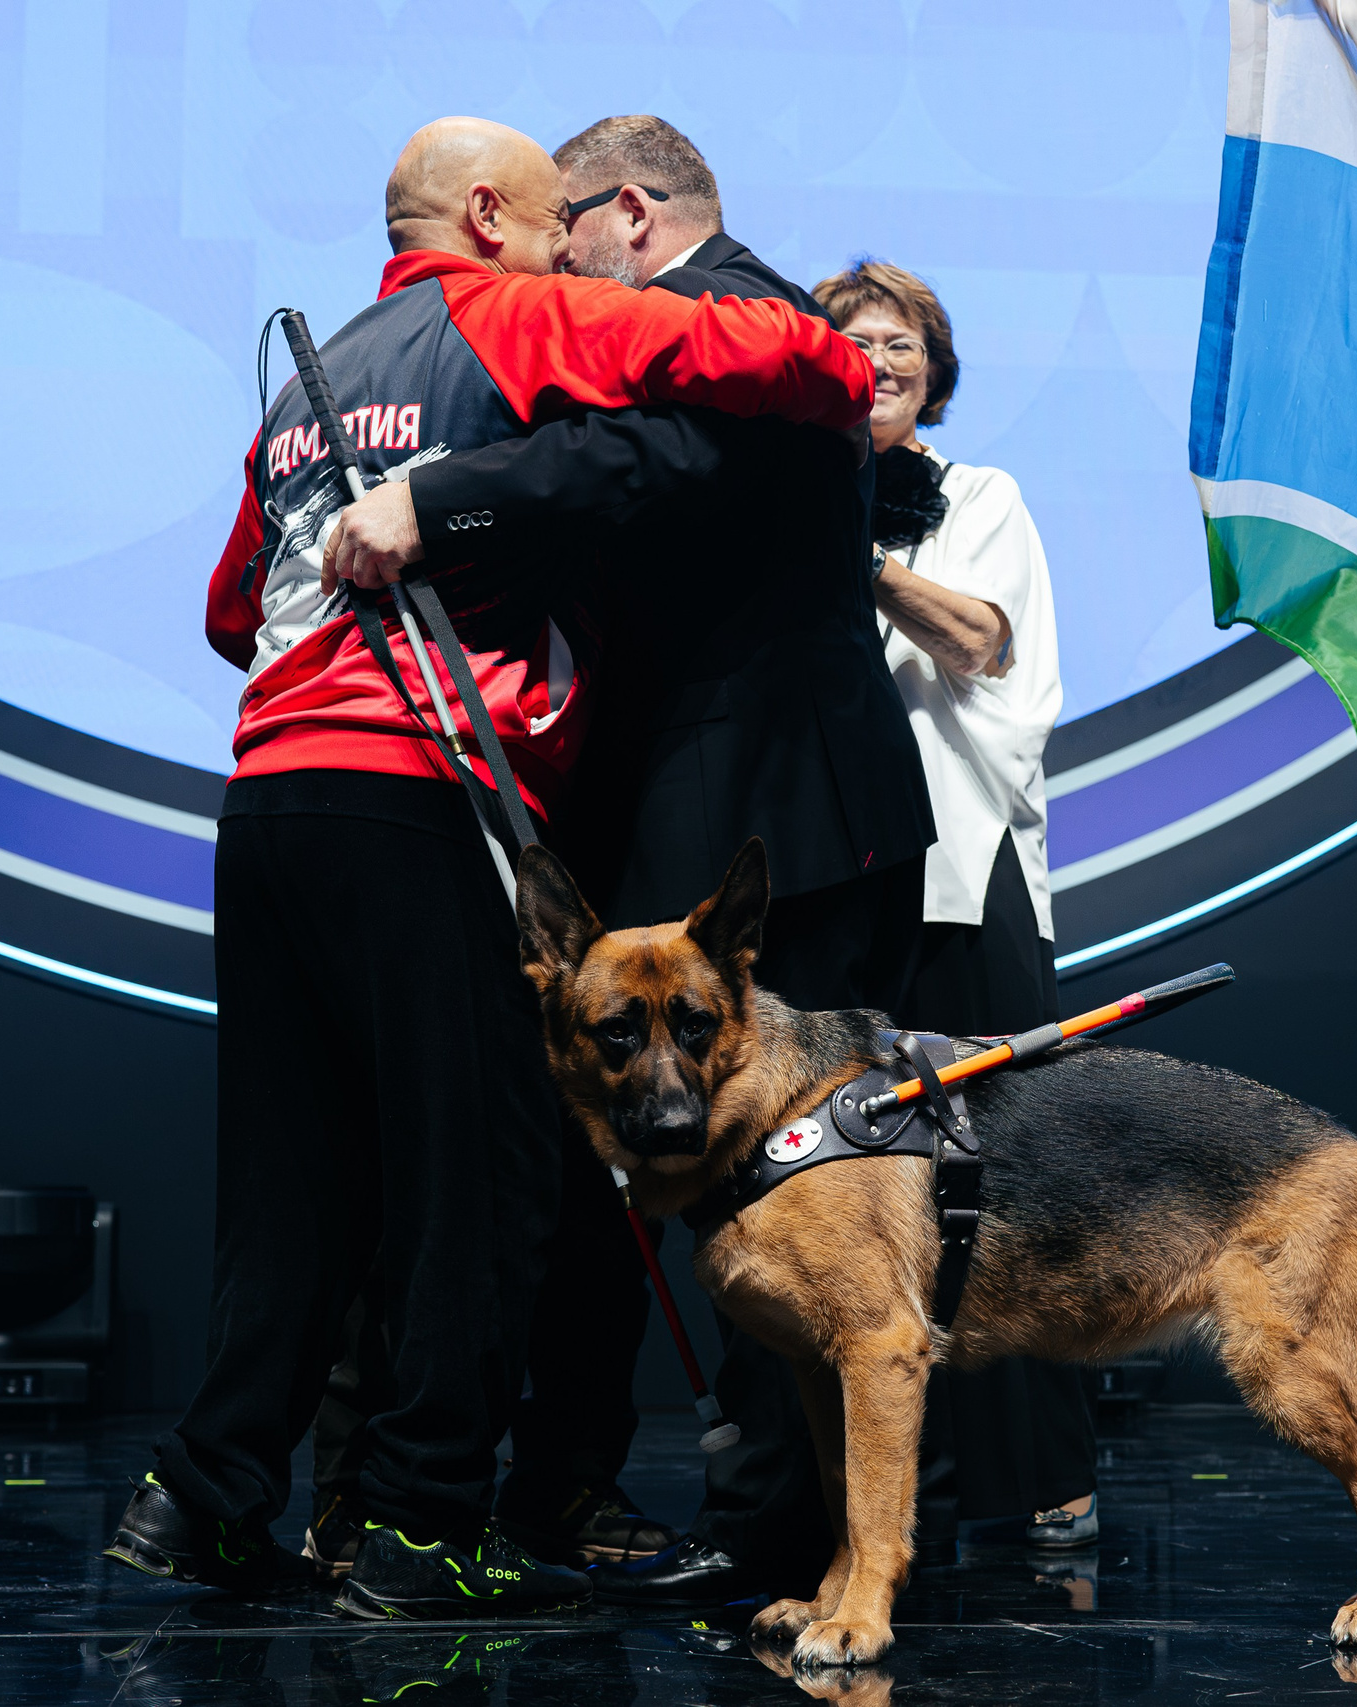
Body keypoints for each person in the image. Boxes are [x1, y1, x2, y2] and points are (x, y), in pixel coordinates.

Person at [103, 116, 881, 1622]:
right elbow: (806, 360)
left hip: (269, 801)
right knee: (485, 1176)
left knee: (295, 1186)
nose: (569, 256)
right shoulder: (507, 313)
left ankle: (200, 1496)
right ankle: (421, 1525)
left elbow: (231, 608)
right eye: (549, 224)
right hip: (418, 794)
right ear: (485, 215)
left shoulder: (309, 384)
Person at [336, 115, 939, 1609]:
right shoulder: (717, 315)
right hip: (733, 805)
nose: (551, 274)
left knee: (802, 1182)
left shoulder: (746, 318)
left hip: (774, 818)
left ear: (626, 214)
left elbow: (631, 455)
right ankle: (605, 1489)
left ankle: (781, 1535)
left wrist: (429, 499)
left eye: (566, 236)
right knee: (664, 1176)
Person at [825, 256, 1100, 1553]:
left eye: (902, 345)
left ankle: (1041, 1470)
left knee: (1000, 1174)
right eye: (853, 343)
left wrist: (860, 558)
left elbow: (980, 642)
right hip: (835, 879)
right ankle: (876, 1488)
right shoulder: (784, 501)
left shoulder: (980, 496)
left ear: (933, 374)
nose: (879, 362)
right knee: (853, 1190)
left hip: (960, 867)